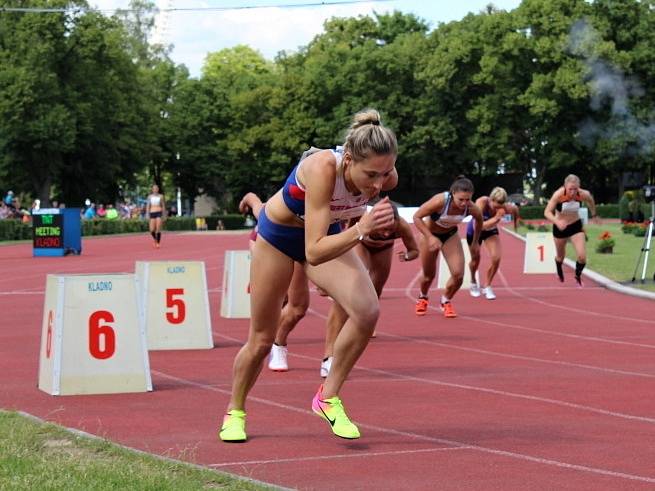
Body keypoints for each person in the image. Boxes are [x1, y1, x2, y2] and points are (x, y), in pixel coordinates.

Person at [219, 108, 397, 442]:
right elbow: (313, 251)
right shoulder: (322, 168)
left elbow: (322, 243)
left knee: (367, 310)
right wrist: (361, 229)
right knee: (260, 340)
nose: (377, 184)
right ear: (348, 161)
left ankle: (327, 397)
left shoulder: (386, 176)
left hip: (323, 236)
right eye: (371, 174)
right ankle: (235, 410)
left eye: (385, 174)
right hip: (278, 239)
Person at [320, 204, 419, 377]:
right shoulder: (361, 218)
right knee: (354, 284)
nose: (387, 233)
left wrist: (407, 256)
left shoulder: (402, 225)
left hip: (384, 249)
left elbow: (414, 250)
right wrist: (330, 277)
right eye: (383, 228)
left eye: (391, 229)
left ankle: (363, 319)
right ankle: (329, 355)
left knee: (375, 289)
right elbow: (341, 242)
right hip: (360, 245)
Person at [238, 191, 310, 373]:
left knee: (298, 308)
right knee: (279, 298)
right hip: (268, 243)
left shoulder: (330, 202)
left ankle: (278, 342)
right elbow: (253, 199)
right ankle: (276, 345)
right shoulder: (274, 208)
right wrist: (244, 202)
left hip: (301, 245)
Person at [412, 177, 483, 318]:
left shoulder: (472, 208)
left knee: (459, 275)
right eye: (461, 199)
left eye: (468, 199)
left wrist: (475, 242)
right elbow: (417, 217)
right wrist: (430, 237)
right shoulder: (440, 201)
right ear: (452, 194)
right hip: (429, 235)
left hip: (450, 235)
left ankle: (445, 301)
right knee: (429, 276)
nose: (464, 203)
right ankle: (423, 297)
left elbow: (479, 221)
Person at [466, 187, 520, 300]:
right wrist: (496, 218)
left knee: (496, 258)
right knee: (475, 260)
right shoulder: (481, 202)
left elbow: (515, 210)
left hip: (490, 231)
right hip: (475, 231)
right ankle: (473, 281)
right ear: (491, 200)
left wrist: (516, 224)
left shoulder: (505, 207)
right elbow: (479, 226)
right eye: (495, 206)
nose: (498, 208)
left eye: (500, 206)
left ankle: (487, 286)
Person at [544, 174, 597, 286]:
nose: (572, 192)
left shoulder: (583, 194)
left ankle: (577, 275)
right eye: (570, 189)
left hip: (575, 226)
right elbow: (547, 212)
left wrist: (594, 214)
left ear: (579, 187)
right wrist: (557, 222)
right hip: (560, 227)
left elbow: (591, 201)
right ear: (565, 186)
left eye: (575, 189)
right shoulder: (558, 195)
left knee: (582, 257)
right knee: (560, 256)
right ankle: (559, 268)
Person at [146, 184, 166, 248]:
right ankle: (155, 239)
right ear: (152, 190)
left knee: (158, 228)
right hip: (152, 213)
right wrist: (147, 214)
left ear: (158, 189)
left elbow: (163, 205)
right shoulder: (149, 197)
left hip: (159, 212)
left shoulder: (161, 196)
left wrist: (164, 214)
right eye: (154, 188)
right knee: (152, 230)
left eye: (156, 188)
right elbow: (148, 206)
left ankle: (158, 243)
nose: (155, 190)